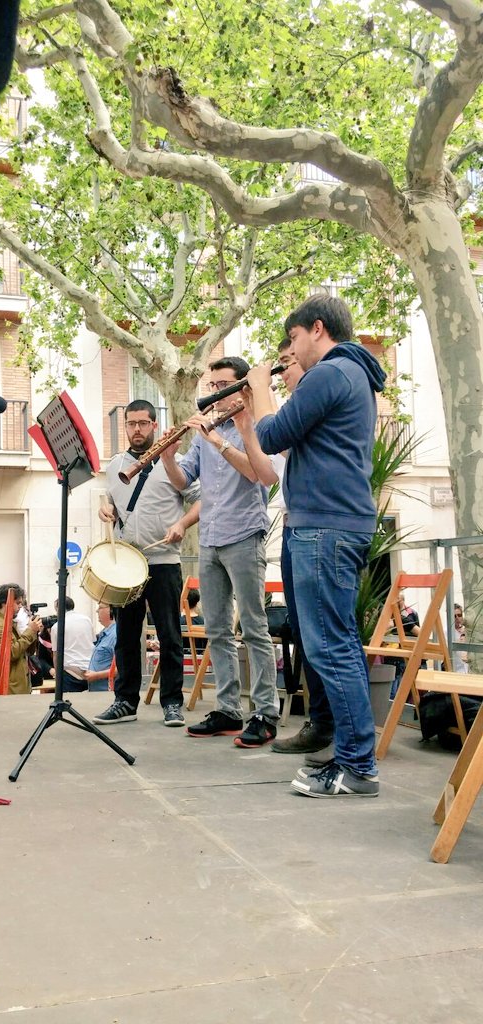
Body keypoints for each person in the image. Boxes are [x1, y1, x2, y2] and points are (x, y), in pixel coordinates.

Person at [250, 294, 386, 797]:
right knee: (337, 644)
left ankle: (357, 767)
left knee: (330, 648)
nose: (291, 350)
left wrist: (260, 389)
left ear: (318, 329)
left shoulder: (330, 373)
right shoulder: (352, 374)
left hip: (324, 527)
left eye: (293, 338)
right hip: (334, 524)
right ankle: (353, 759)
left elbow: (272, 436)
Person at [160, 357, 280, 748]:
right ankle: (228, 709)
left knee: (254, 627)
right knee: (216, 630)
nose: (214, 393)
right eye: (211, 386)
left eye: (222, 385)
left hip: (244, 534)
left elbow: (258, 473)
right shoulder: (204, 433)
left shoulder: (257, 425)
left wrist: (219, 441)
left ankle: (265, 713)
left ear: (242, 388)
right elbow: (183, 481)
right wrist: (167, 455)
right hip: (210, 539)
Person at [93, 399, 200, 728]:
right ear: (125, 426)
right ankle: (125, 701)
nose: (136, 429)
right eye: (131, 423)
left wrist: (182, 524)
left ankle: (172, 702)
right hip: (126, 564)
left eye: (142, 423)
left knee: (169, 635)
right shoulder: (115, 465)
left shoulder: (175, 462)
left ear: (155, 425)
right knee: (125, 635)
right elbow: (112, 501)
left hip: (164, 560)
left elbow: (201, 501)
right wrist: (106, 509)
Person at [0, 584, 43, 695]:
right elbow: (11, 653)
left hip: (16, 687)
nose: (20, 607)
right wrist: (30, 630)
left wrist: (34, 631)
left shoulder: (8, 623)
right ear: (5, 603)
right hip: (7, 689)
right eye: (18, 603)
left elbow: (28, 652)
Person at [50, 596, 95, 692]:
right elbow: (93, 641)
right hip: (90, 669)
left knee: (70, 700)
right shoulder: (87, 620)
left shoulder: (57, 626)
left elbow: (56, 654)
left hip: (70, 672)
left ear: (58, 608)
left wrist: (58, 677)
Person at [85, 603, 117, 692]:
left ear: (111, 610)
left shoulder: (115, 635)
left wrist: (96, 676)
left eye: (100, 608)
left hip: (107, 692)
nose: (97, 611)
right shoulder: (105, 633)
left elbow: (121, 668)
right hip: (98, 691)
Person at [181, 588, 205, 654]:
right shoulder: (203, 622)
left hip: (180, 656)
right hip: (200, 658)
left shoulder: (177, 622)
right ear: (197, 602)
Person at [453, 603, 469, 674]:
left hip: (468, 669)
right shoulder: (445, 632)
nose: (457, 618)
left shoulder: (467, 630)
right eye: (454, 616)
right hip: (455, 670)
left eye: (459, 615)